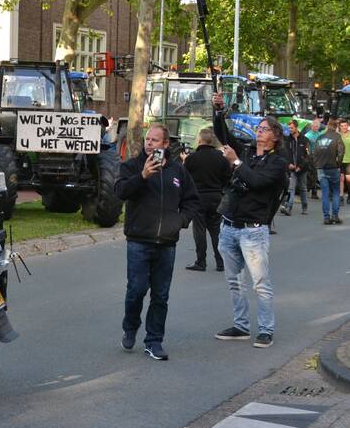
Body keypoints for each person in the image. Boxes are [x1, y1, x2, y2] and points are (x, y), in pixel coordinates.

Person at [114, 124, 201, 361]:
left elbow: (192, 200)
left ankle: (154, 341)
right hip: (139, 241)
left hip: (167, 243)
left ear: (165, 144)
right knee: (137, 290)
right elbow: (120, 191)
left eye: (154, 140)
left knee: (161, 295)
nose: (149, 143)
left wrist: (180, 221)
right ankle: (130, 326)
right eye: (147, 139)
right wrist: (142, 177)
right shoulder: (132, 166)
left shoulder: (177, 170)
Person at [212, 93, 288, 349]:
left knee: (260, 283)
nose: (259, 131)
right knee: (234, 281)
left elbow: (257, 183)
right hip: (230, 226)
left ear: (275, 137)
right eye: (258, 128)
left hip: (253, 231)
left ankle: (266, 329)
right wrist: (218, 111)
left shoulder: (277, 163)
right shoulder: (247, 153)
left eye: (265, 129)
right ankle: (241, 325)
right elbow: (224, 136)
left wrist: (235, 162)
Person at [184, 128, 231, 272]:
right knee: (216, 230)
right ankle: (220, 262)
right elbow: (227, 177)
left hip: (198, 198)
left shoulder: (191, 158)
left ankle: (201, 261)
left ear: (199, 140)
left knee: (199, 230)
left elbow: (185, 179)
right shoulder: (221, 158)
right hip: (216, 197)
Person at [314, 118, 346, 224]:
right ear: (336, 127)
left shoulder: (320, 137)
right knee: (336, 192)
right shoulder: (337, 137)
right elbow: (341, 151)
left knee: (325, 193)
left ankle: (326, 217)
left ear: (327, 126)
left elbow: (315, 153)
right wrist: (339, 163)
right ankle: (335, 216)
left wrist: (317, 165)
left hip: (321, 168)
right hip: (333, 168)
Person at [281, 119, 311, 215]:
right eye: (289, 128)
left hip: (302, 169)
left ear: (296, 128)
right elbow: (284, 154)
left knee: (303, 188)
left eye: (292, 128)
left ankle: (305, 207)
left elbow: (308, 156)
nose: (290, 129)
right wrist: (288, 164)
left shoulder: (305, 140)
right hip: (291, 169)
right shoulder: (287, 140)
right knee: (291, 188)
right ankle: (288, 208)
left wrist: (301, 167)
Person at [305, 116, 323, 199]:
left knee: (315, 174)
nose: (315, 127)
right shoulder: (308, 135)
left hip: (318, 156)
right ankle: (312, 190)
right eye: (314, 126)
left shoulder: (320, 135)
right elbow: (306, 148)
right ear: (311, 126)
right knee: (311, 173)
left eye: (317, 126)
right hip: (310, 156)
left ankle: (312, 190)